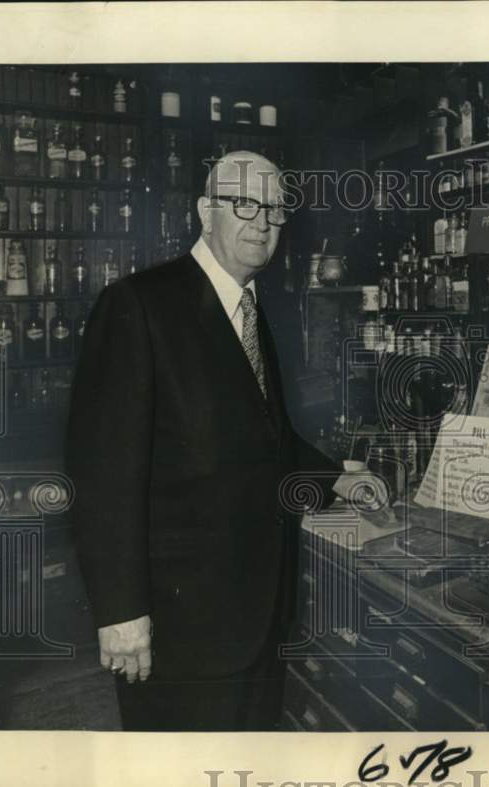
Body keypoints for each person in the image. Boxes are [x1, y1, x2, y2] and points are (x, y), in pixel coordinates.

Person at [66, 151, 363, 731]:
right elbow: (102, 472)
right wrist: (121, 611)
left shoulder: (256, 309)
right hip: (180, 624)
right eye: (244, 203)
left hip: (259, 615)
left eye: (276, 209)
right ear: (206, 211)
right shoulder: (140, 304)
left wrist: (338, 479)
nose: (263, 221)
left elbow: (267, 438)